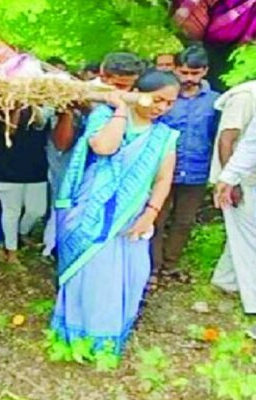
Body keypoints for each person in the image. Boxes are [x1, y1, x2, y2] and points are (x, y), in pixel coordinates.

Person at [51, 70, 180, 356]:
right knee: (93, 273)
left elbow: (162, 179)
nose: (162, 108)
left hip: (132, 215)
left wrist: (150, 214)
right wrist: (121, 109)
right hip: (91, 213)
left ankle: (108, 340)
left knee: (129, 275)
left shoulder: (164, 135)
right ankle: (79, 337)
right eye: (157, 99)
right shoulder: (104, 117)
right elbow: (104, 147)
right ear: (137, 91)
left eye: (170, 103)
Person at [43, 52, 145, 257]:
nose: (125, 91)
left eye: (129, 85)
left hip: (113, 170)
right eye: (119, 85)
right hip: (73, 166)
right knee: (68, 211)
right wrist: (74, 111)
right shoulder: (78, 94)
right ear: (103, 76)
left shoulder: (140, 98)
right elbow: (61, 143)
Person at [153, 45, 220, 282]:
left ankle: (170, 265)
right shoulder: (165, 98)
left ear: (205, 71)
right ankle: (152, 268)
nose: (189, 79)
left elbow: (217, 136)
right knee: (156, 219)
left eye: (195, 73)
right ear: (176, 70)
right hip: (162, 169)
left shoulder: (216, 101)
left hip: (197, 169)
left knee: (184, 221)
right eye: (184, 73)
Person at [210, 80, 256, 319]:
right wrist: (229, 179)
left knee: (244, 237)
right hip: (248, 180)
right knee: (247, 238)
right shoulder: (246, 96)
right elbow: (246, 144)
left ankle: (226, 281)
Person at [0, 108, 52, 263]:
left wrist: (33, 106)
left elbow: (41, 123)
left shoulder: (44, 104)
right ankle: (11, 251)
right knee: (11, 212)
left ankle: (21, 232)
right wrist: (16, 107)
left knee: (37, 210)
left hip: (36, 169)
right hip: (6, 170)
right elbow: (9, 130)